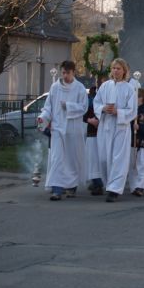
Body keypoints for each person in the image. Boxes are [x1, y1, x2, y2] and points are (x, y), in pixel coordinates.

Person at [38, 60, 88, 201]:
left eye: (68, 73)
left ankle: (71, 187)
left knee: (71, 159)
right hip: (58, 129)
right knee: (57, 158)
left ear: (74, 72)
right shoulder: (55, 88)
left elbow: (83, 107)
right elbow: (48, 107)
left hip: (73, 130)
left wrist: (69, 106)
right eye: (64, 72)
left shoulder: (80, 88)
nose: (65, 75)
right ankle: (57, 189)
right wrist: (43, 118)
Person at [93, 58, 137, 202]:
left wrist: (119, 112)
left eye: (119, 68)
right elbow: (96, 103)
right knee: (104, 158)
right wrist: (103, 109)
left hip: (120, 128)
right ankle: (108, 185)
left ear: (124, 71)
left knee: (118, 159)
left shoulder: (129, 88)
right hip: (105, 126)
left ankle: (115, 189)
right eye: (113, 68)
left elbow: (132, 110)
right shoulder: (105, 86)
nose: (116, 71)